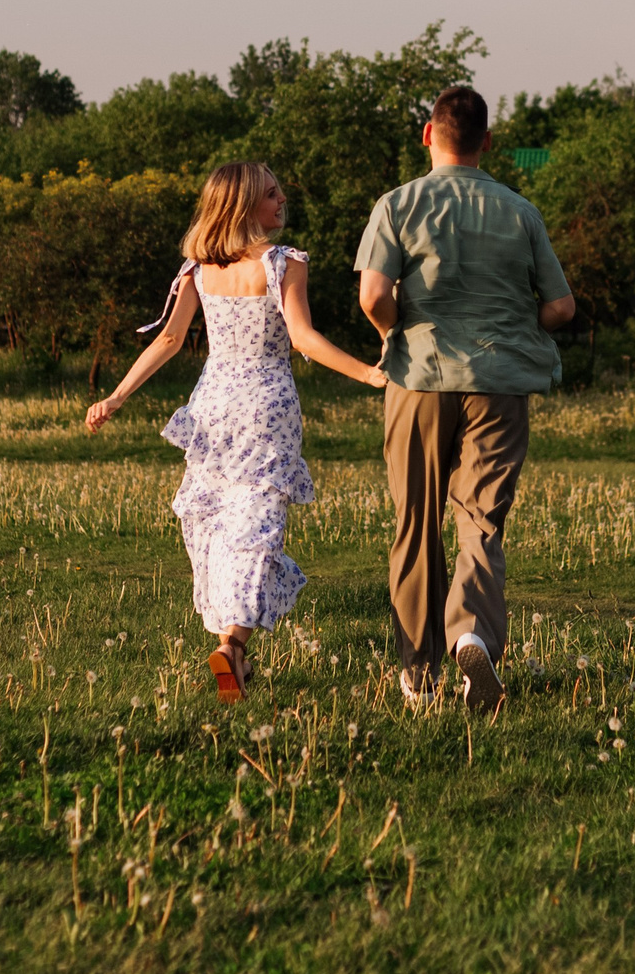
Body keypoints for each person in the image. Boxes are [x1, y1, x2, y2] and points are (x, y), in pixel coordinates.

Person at [87, 161, 385, 703]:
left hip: (213, 405)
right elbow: (303, 339)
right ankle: (233, 643)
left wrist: (116, 395)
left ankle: (234, 651)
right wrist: (368, 372)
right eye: (272, 194)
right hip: (266, 406)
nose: (282, 202)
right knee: (258, 521)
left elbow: (169, 341)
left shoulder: (198, 267)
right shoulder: (282, 264)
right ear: (244, 204)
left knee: (219, 519)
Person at [356, 86, 575, 712]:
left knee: (415, 523)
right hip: (501, 382)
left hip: (420, 378)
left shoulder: (399, 204)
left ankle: (419, 678)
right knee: (480, 519)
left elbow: (373, 297)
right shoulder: (520, 210)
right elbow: (562, 306)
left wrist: (390, 333)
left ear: (428, 135)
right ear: (488, 142)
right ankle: (472, 633)